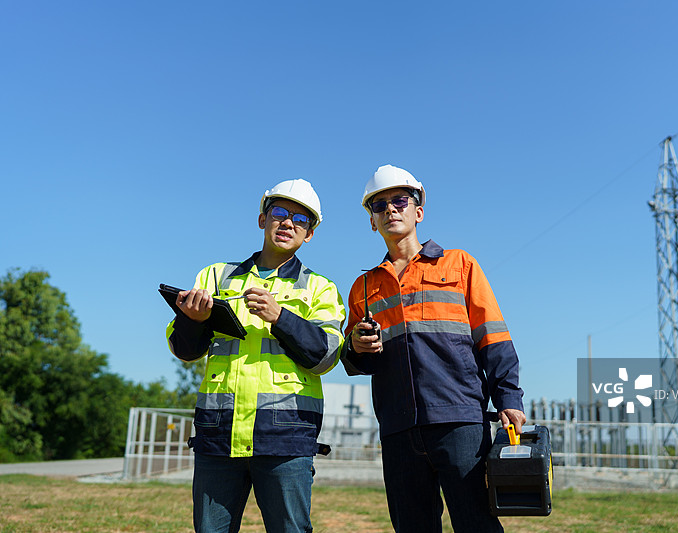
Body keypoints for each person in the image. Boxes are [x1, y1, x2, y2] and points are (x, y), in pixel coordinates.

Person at [342, 164, 526, 533]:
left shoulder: (459, 264)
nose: (391, 209)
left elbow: (493, 336)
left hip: (459, 421)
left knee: (477, 524)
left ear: (418, 211)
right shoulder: (364, 287)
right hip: (398, 427)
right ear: (372, 221)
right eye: (380, 206)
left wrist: (509, 398)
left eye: (399, 201)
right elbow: (354, 361)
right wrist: (357, 347)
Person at [166, 179, 346, 533]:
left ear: (309, 234)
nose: (288, 222)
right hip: (218, 437)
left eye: (301, 218)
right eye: (279, 212)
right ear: (262, 219)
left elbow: (326, 355)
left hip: (286, 440)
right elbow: (183, 349)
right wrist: (193, 320)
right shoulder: (215, 276)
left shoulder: (320, 288)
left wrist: (281, 317)